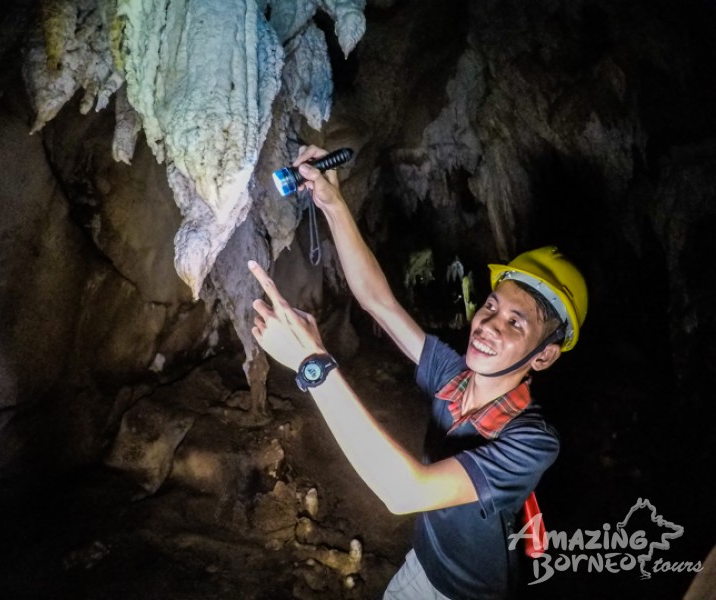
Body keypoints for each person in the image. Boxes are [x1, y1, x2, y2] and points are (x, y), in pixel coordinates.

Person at [248, 145, 588, 599]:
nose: (488, 325)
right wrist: (333, 203)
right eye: (491, 306)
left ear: (543, 356)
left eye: (515, 323)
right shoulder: (453, 376)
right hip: (420, 564)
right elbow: (379, 303)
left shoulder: (532, 441)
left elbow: (405, 492)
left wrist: (313, 365)